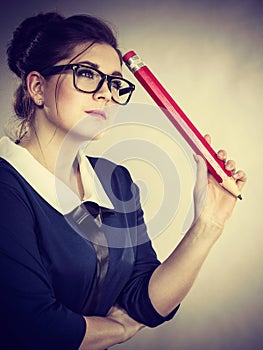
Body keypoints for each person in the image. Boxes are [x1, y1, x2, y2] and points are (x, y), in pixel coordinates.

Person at [0, 12, 247, 350]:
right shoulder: (6, 188)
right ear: (37, 87)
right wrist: (120, 330)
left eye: (115, 82)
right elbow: (37, 327)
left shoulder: (115, 180)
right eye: (87, 74)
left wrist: (209, 224)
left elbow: (143, 301)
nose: (106, 94)